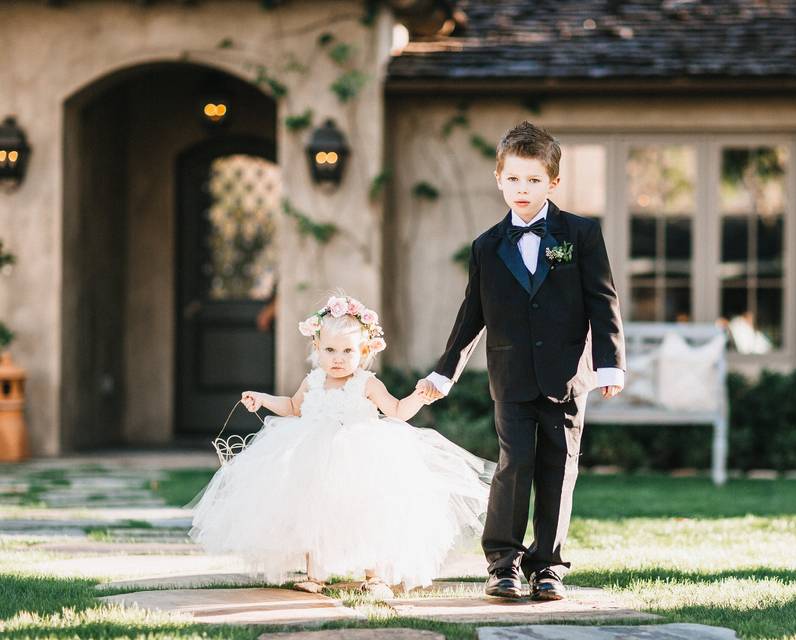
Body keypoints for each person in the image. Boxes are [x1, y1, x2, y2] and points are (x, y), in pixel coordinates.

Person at [417, 121, 626, 601]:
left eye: (533, 180)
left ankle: (548, 565)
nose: (522, 189)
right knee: (515, 464)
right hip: (510, 377)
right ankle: (502, 563)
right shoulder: (487, 247)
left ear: (553, 183)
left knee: (559, 467)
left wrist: (610, 363)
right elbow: (472, 315)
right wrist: (444, 371)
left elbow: (603, 300)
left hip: (568, 377)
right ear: (498, 179)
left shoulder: (580, 234)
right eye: (513, 179)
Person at [188, 294, 493, 597]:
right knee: (314, 509)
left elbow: (397, 411)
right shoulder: (313, 381)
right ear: (317, 349)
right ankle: (315, 575)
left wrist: (418, 397)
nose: (338, 358)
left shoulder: (367, 383)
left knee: (369, 511)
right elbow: (294, 407)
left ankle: (374, 575)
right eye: (330, 350)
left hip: (362, 457)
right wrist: (263, 399)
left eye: (348, 351)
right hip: (314, 455)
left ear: (364, 351)